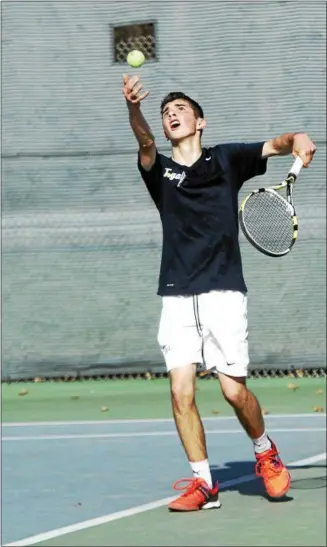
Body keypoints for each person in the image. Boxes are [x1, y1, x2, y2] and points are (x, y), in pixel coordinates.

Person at [122, 74, 317, 512]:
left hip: (223, 291)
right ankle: (204, 483)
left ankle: (264, 449)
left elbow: (276, 143)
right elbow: (146, 142)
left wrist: (298, 137)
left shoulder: (227, 159)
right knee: (181, 392)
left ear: (201, 122)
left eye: (180, 109)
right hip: (175, 294)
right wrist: (133, 109)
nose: (171, 114)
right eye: (165, 111)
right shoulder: (159, 169)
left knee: (233, 392)